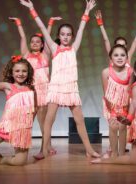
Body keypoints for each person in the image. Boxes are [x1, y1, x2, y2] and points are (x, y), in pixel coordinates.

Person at [20, 0, 100, 158]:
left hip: (71, 88)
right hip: (56, 87)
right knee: (49, 120)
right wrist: (32, 9)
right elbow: (42, 28)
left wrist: (86, 11)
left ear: (72, 37)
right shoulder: (54, 47)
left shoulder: (74, 47)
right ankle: (44, 150)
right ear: (58, 36)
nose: (65, 37)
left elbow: (82, 28)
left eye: (68, 34)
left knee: (80, 120)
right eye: (62, 34)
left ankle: (89, 150)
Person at [8, 15, 61, 159]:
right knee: (26, 121)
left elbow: (46, 36)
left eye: (38, 42)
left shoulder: (45, 55)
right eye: (33, 42)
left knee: (44, 124)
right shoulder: (26, 55)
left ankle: (44, 150)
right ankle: (21, 149)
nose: (35, 43)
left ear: (43, 44)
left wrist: (50, 23)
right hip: (30, 92)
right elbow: (23, 38)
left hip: (43, 92)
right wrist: (19, 24)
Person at [101, 44, 133, 158]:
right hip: (111, 104)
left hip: (125, 103)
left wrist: (128, 109)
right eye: (116, 55)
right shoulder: (106, 72)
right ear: (111, 58)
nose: (119, 57)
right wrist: (113, 110)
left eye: (122, 55)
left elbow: (130, 91)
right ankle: (114, 153)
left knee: (123, 127)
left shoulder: (131, 72)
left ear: (127, 58)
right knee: (113, 127)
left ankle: (122, 153)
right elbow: (106, 93)